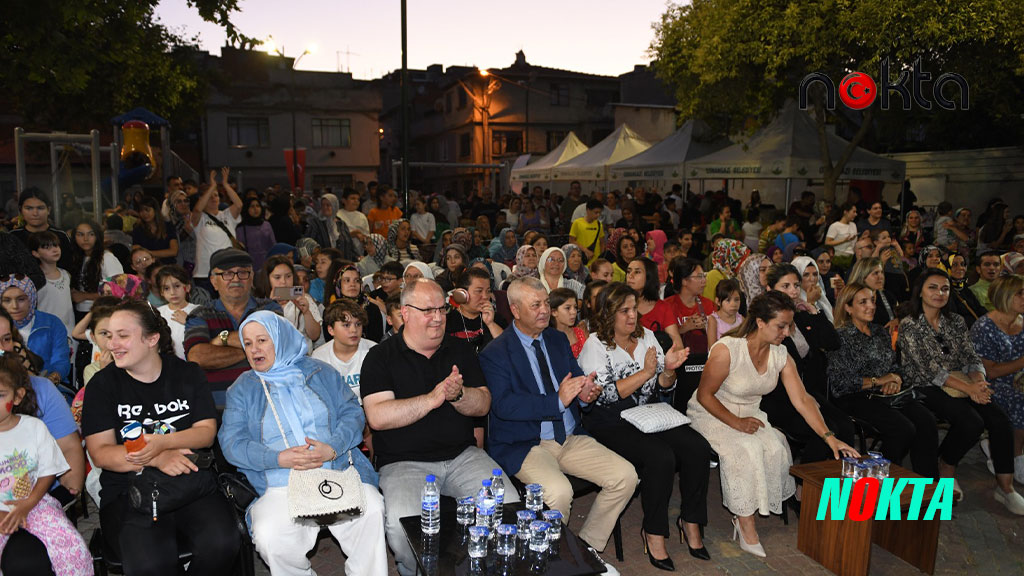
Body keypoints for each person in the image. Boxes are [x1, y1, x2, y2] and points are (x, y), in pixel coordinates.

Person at [360, 279, 517, 576]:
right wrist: (433, 398)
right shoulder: (380, 357)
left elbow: (483, 404)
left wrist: (458, 394)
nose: (437, 317)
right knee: (400, 528)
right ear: (405, 313)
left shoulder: (460, 349)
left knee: (506, 507)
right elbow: (378, 417)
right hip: (404, 463)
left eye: (442, 309)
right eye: (427, 310)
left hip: (462, 456)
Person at [480, 277, 636, 573]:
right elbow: (503, 406)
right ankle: (550, 562)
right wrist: (557, 401)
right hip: (527, 443)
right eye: (535, 305)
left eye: (545, 304)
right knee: (559, 492)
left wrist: (586, 393)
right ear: (514, 310)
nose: (544, 311)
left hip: (569, 436)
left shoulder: (555, 339)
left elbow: (575, 380)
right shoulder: (496, 353)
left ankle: (583, 548)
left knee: (626, 476)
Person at [688, 292, 858, 557]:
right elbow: (704, 395)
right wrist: (737, 423)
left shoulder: (780, 355)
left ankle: (752, 509)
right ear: (760, 322)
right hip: (712, 411)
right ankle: (745, 522)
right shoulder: (727, 350)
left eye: (789, 325)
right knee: (745, 450)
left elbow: (802, 400)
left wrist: (829, 437)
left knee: (776, 446)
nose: (787, 332)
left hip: (750, 413)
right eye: (781, 326)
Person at [219, 311, 387, 575]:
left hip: (337, 468)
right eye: (248, 343)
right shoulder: (243, 388)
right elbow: (232, 443)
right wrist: (277, 458)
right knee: (269, 533)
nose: (254, 350)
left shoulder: (320, 371)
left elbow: (352, 413)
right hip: (277, 480)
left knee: (371, 510)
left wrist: (332, 448)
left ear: (281, 338)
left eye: (262, 340)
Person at [82, 300, 241, 574]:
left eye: (123, 335)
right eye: (109, 335)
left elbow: (205, 434)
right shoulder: (102, 385)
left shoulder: (186, 373)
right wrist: (154, 458)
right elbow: (102, 453)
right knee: (152, 564)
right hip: (129, 488)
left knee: (223, 544)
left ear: (152, 339)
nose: (112, 344)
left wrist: (162, 443)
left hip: (190, 480)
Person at [578, 282, 712, 568]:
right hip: (610, 421)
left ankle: (690, 520)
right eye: (623, 311)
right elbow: (606, 395)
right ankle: (653, 531)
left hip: (649, 414)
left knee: (697, 448)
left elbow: (663, 387)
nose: (631, 316)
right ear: (607, 314)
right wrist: (648, 371)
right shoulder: (595, 345)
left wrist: (667, 371)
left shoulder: (648, 336)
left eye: (633, 310)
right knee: (660, 457)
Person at [897, 269, 1024, 512]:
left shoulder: (955, 322)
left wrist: (979, 382)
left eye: (945, 288)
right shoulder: (910, 324)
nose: (939, 293)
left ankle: (1005, 487)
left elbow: (971, 356)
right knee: (971, 422)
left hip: (962, 382)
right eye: (933, 287)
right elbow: (930, 369)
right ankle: (947, 465)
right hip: (924, 385)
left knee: (999, 420)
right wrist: (970, 388)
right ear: (920, 291)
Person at [827, 283, 939, 478]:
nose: (871, 306)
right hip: (855, 397)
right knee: (903, 429)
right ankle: (880, 484)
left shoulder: (879, 332)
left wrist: (894, 380)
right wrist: (879, 380)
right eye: (863, 302)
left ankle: (928, 487)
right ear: (848, 307)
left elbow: (894, 367)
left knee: (927, 421)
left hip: (886, 394)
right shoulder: (839, 338)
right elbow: (840, 384)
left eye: (872, 301)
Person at [0, 355, 91, 576]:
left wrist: (27, 504)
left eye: (1, 395)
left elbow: (48, 471)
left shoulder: (34, 428)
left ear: (18, 396)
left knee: (70, 546)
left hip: (36, 502)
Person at [184, 249, 282, 404]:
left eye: (243, 273)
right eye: (227, 274)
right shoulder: (200, 315)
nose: (236, 279)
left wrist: (224, 339)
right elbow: (198, 357)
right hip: (219, 408)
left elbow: (278, 345)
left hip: (269, 404)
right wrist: (257, 348)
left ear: (252, 278)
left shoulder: (269, 308)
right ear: (213, 281)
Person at [970, 275, 1024, 482]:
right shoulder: (985, 327)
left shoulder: (1021, 322)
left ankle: (1006, 450)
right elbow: (989, 371)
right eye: (1020, 293)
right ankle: (1015, 455)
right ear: (1005, 296)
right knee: (1019, 398)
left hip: (1017, 378)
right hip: (990, 382)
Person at [1, 274, 71, 383]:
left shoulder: (52, 323)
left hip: (51, 386)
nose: (14, 306)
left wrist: (55, 376)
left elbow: (61, 361)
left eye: (21, 299)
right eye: (7, 300)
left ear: (32, 298)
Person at [312, 299, 376, 403]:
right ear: (331, 330)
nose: (354, 330)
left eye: (358, 324)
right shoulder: (319, 357)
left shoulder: (374, 351)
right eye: (346, 325)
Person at [257, 255, 322, 348]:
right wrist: (270, 305)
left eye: (288, 276)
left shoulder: (304, 299)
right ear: (268, 279)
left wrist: (306, 312)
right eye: (277, 277)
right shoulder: (260, 303)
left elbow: (315, 336)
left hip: (303, 356)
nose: (283, 282)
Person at [9, 188, 74, 272]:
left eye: (40, 208)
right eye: (29, 208)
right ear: (21, 210)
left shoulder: (61, 235)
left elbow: (69, 267)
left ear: (49, 210)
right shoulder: (13, 237)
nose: (35, 213)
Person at [70, 220, 124, 316]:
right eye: (80, 234)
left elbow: (118, 289)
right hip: (80, 311)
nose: (85, 239)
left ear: (97, 236)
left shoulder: (107, 258)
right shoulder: (76, 258)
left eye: (91, 234)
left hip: (103, 312)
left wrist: (85, 296)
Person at [29, 231, 75, 338]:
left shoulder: (66, 275)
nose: (54, 250)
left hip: (69, 331)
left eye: (56, 245)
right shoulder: (33, 279)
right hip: (45, 332)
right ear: (35, 253)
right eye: (47, 247)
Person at [445, 267, 503, 352]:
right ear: (462, 294)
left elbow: (508, 349)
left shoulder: (496, 319)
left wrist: (490, 323)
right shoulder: (447, 322)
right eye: (479, 291)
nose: (485, 296)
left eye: (488, 291)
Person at [155, 265, 199, 360]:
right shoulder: (157, 313)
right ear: (161, 292)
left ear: (187, 287)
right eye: (166, 288)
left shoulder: (200, 311)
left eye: (177, 286)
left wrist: (189, 321)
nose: (172, 292)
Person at [848, 257, 900, 335]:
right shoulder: (851, 298)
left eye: (881, 272)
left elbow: (901, 315)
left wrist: (898, 320)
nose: (881, 277)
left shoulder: (888, 296)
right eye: (875, 273)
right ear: (863, 277)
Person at [131, 197, 178, 265]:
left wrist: (149, 253)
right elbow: (136, 249)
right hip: (148, 267)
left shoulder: (168, 226)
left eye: (147, 210)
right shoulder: (138, 229)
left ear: (155, 210)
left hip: (168, 265)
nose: (144, 214)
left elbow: (174, 251)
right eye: (141, 211)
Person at [235, 196, 276, 271]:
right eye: (252, 206)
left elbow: (273, 245)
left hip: (267, 264)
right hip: (249, 264)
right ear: (247, 209)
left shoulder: (266, 225)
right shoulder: (241, 228)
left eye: (258, 206)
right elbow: (239, 249)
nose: (255, 209)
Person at [947, 253, 988, 328]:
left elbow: (979, 309)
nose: (960, 268)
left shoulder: (966, 288)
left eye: (963, 264)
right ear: (947, 268)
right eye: (954, 265)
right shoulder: (946, 291)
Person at [550, 287, 587, 358]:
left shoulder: (579, 333)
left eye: (575, 307)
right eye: (568, 308)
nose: (573, 312)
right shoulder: (547, 338)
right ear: (554, 312)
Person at [570, 199, 605, 266]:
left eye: (599, 213)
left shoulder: (599, 224)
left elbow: (602, 242)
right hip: (582, 259)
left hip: (595, 261)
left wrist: (601, 257)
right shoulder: (577, 223)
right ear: (588, 210)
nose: (598, 215)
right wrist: (586, 251)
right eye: (596, 212)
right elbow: (572, 241)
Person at [708, 278, 743, 344]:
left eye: (737, 300)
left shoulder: (741, 320)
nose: (733, 304)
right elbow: (712, 348)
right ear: (718, 301)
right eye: (728, 300)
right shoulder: (713, 320)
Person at [825, 202, 859, 271]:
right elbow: (827, 242)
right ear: (845, 212)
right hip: (838, 257)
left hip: (851, 256)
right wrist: (844, 240)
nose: (856, 214)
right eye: (853, 212)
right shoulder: (835, 226)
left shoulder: (853, 225)